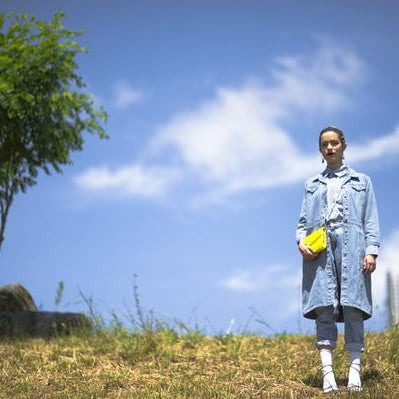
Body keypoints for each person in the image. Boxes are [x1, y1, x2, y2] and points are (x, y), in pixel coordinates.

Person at [296, 126, 380, 393]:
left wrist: (371, 249)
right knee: (324, 307)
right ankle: (328, 374)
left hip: (354, 245)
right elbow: (301, 223)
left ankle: (355, 371)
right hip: (320, 250)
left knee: (353, 305)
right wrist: (301, 242)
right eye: (324, 145)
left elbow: (370, 219)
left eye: (334, 143)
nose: (329, 148)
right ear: (320, 150)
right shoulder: (311, 184)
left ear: (344, 145)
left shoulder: (362, 181)